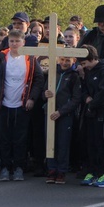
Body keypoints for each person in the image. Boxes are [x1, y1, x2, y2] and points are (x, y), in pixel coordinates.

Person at [0, 29, 45, 182]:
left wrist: (32, 98)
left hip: (22, 105)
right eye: (12, 41)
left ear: (23, 42)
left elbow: (38, 80)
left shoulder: (30, 59)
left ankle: (19, 167)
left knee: (20, 138)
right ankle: (5, 167)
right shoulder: (0, 58)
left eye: (17, 41)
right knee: (3, 137)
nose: (14, 44)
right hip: (2, 105)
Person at [77, 46, 104, 188]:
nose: (83, 67)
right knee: (90, 142)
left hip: (102, 111)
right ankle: (93, 171)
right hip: (91, 110)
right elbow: (85, 87)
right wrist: (86, 97)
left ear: (92, 58)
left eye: (84, 63)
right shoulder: (88, 72)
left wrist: (93, 102)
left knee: (102, 142)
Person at [43, 54, 83, 185]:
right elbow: (45, 91)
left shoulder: (74, 76)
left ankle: (61, 170)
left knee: (63, 143)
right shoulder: (53, 73)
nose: (64, 63)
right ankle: (51, 169)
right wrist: (45, 94)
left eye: (68, 61)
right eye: (62, 60)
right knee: (50, 141)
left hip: (64, 115)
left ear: (73, 61)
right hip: (49, 113)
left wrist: (61, 112)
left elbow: (76, 99)